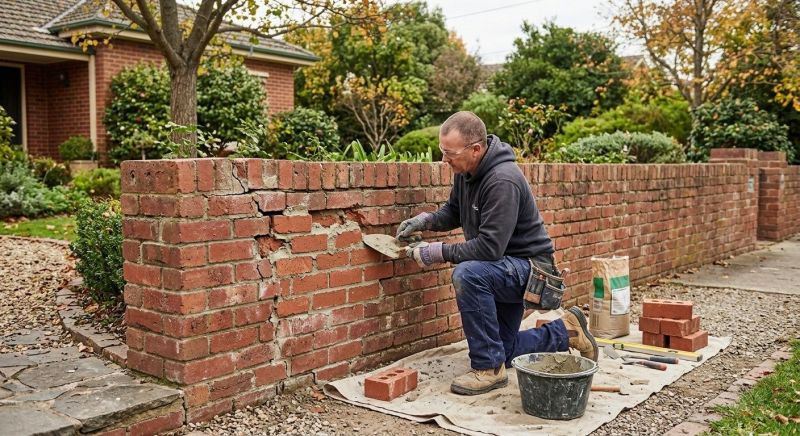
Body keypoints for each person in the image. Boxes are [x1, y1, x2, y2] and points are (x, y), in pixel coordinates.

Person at [397, 111, 598, 396]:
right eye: (442, 152)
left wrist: (436, 252)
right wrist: (426, 221)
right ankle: (567, 332)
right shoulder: (467, 172)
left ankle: (487, 370)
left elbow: (489, 248)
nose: (444, 160)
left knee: (468, 273)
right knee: (504, 350)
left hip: (530, 272)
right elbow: (454, 211)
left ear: (476, 149)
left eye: (449, 153)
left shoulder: (502, 180)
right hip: (502, 270)